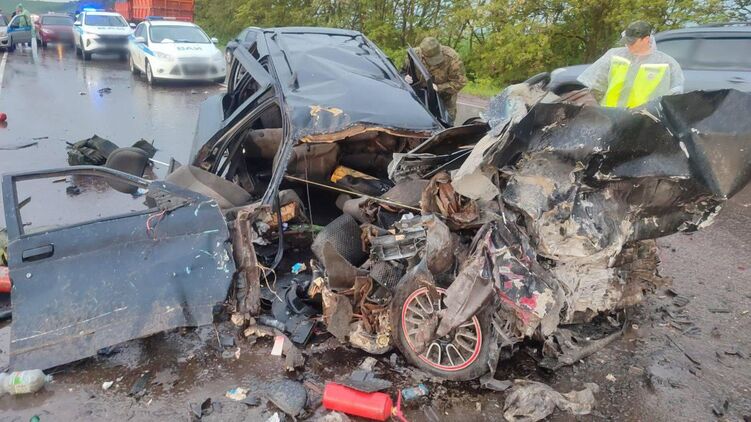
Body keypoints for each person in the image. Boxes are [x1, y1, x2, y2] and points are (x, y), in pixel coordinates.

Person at [577, 21, 684, 108]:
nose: (628, 44)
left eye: (632, 42)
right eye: (627, 41)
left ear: (646, 40)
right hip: (610, 117)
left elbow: (674, 99)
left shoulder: (667, 64)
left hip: (644, 122)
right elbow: (597, 86)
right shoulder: (614, 56)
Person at [408, 37, 467, 122]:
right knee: (417, 122)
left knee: (446, 124)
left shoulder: (452, 58)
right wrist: (406, 77)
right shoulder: (414, 54)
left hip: (445, 100)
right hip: (420, 97)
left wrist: (439, 88)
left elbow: (460, 82)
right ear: (423, 54)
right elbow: (403, 71)